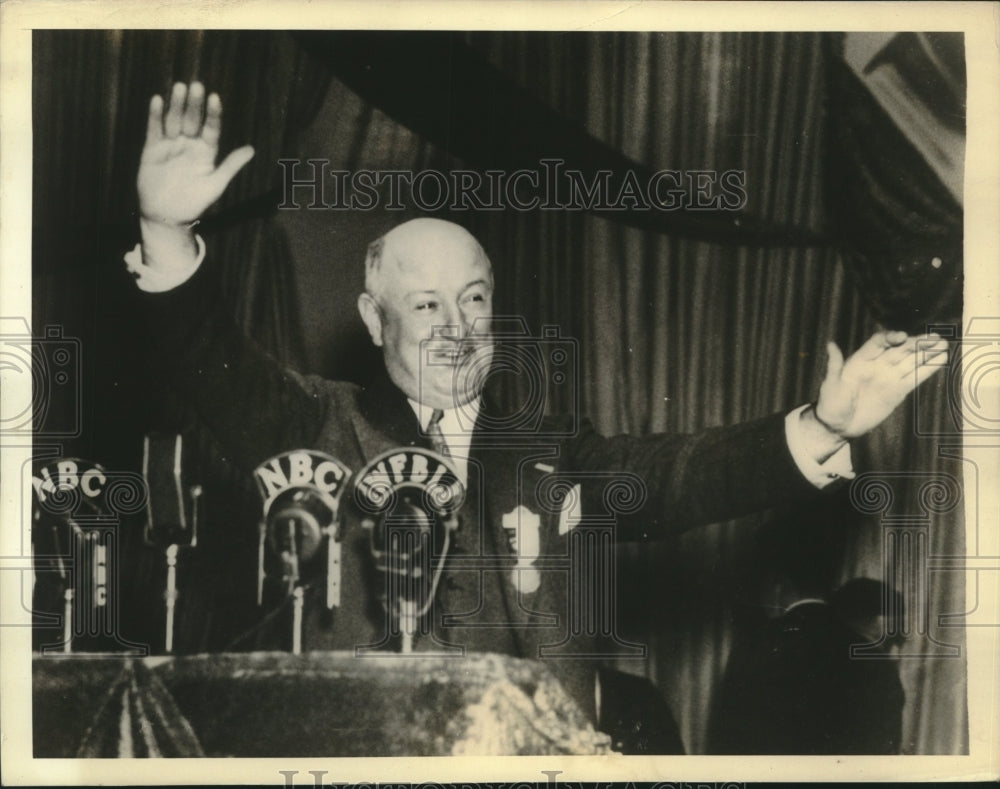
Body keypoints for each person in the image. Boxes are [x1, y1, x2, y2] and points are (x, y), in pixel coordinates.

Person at [124, 82, 947, 751]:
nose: (456, 325)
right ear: (377, 323)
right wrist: (166, 230)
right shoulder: (316, 427)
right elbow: (209, 363)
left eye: (474, 298)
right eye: (426, 303)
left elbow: (683, 475)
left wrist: (825, 425)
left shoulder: (549, 452)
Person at [709, 578, 906, 754]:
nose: (896, 653)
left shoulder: (756, 644)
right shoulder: (873, 664)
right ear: (868, 620)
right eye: (890, 640)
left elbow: (729, 739)